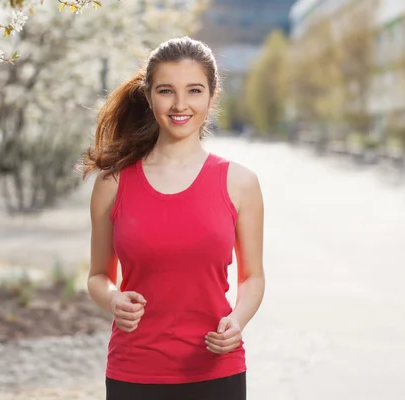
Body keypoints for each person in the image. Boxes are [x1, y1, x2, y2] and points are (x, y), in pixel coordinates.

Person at [80, 37, 265, 400]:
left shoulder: (241, 182)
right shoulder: (112, 183)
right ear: (149, 97)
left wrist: (238, 321)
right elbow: (98, 276)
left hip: (217, 370)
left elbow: (253, 277)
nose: (180, 105)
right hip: (134, 372)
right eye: (166, 91)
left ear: (212, 97)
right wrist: (113, 299)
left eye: (194, 90)